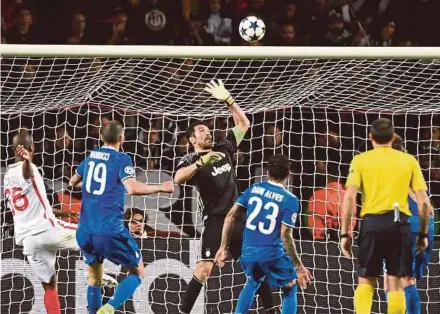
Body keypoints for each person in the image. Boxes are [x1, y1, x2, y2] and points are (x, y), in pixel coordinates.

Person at [174, 79, 275, 314]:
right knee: (203, 271)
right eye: (201, 131)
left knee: (256, 269)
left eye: (208, 130)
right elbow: (178, 179)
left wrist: (229, 100)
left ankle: (273, 311)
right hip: (216, 221)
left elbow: (244, 123)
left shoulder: (223, 148)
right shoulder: (190, 160)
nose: (207, 133)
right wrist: (200, 163)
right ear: (192, 140)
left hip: (240, 217)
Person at [3, 129, 117, 314]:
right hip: (47, 229)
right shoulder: (30, 169)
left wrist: (63, 213)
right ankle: (97, 274)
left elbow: (34, 204)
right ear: (32, 148)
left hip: (28, 241)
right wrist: (27, 161)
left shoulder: (7, 177)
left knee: (50, 286)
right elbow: (28, 172)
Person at [69, 121, 174, 314]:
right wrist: (161, 187)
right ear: (122, 138)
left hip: (85, 230)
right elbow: (133, 188)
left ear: (101, 138)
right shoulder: (121, 159)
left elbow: (72, 181)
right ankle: (109, 309)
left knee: (94, 279)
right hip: (109, 230)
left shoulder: (90, 157)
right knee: (138, 272)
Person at [340, 118, 430, 314]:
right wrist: (423, 235)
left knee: (366, 280)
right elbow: (424, 203)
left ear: (370, 137)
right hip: (400, 224)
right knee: (395, 282)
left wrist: (345, 234)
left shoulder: (361, 160)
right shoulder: (409, 161)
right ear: (392, 136)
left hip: (372, 224)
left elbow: (348, 198)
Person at [214, 154, 313, 314]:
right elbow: (285, 235)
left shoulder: (254, 189)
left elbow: (230, 215)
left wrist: (223, 247)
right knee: (290, 286)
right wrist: (299, 265)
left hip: (248, 254)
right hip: (272, 254)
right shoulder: (290, 199)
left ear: (267, 172)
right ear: (288, 175)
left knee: (253, 281)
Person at [382, 134, 435, 314]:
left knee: (393, 281)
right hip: (426, 224)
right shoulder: (411, 165)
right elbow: (427, 204)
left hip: (407, 226)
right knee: (408, 279)